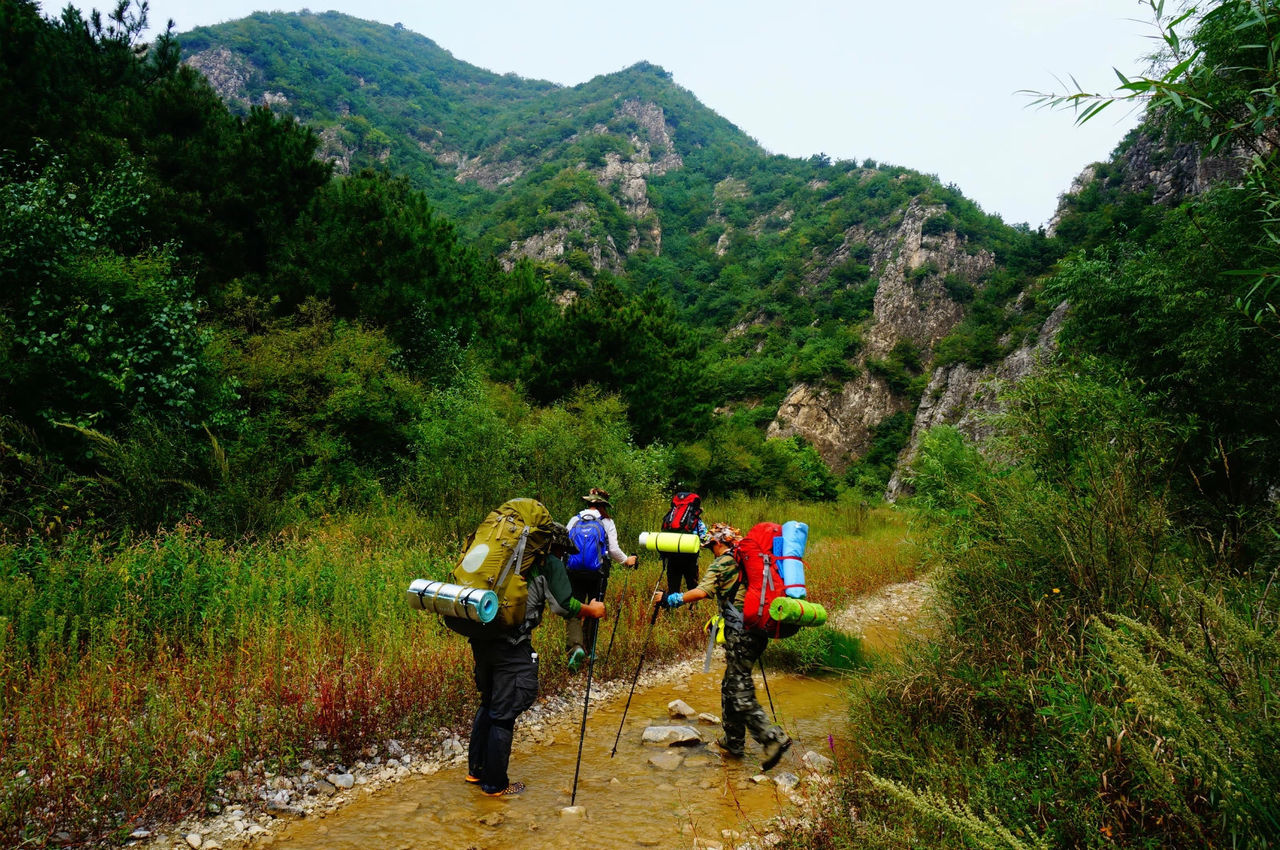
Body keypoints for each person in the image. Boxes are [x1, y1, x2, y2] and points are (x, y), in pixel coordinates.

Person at [466, 521, 606, 797]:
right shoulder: (546, 564)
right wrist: (593, 610)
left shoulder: (504, 559)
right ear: (553, 546)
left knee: (489, 702)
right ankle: (495, 785)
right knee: (503, 713)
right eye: (562, 552)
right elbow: (563, 605)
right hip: (512, 644)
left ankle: (476, 772)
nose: (562, 557)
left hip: (482, 637)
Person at [654, 522, 792, 771]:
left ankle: (772, 737)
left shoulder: (723, 562)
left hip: (741, 632)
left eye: (711, 547)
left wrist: (670, 599)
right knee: (731, 684)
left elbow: (702, 592)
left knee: (738, 688)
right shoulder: (749, 558)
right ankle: (733, 741)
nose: (711, 551)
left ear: (718, 543)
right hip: (757, 628)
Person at [563, 487, 636, 672]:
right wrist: (626, 560)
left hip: (574, 572)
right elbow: (613, 550)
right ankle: (590, 651)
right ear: (603, 505)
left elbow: (564, 543)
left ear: (589, 502)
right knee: (595, 607)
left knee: (575, 607)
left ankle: (576, 647)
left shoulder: (575, 519)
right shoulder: (607, 522)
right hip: (598, 573)